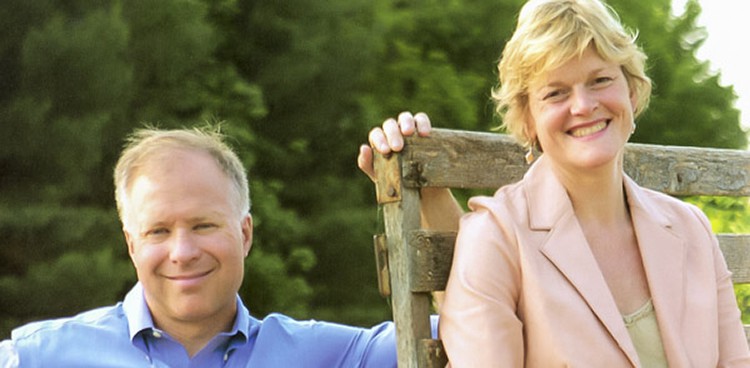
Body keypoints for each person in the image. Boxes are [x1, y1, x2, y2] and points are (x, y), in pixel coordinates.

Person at [360, 0, 750, 366]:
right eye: (556, 92)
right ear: (527, 119)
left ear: (631, 92)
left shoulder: (691, 230)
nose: (583, 105)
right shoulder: (496, 239)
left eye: (600, 80)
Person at [0, 126, 437, 367]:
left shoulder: (330, 358)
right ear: (131, 245)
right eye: (157, 232)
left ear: (245, 234)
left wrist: (428, 185)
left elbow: (479, 321)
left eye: (203, 225)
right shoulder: (39, 357)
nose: (182, 251)